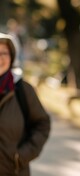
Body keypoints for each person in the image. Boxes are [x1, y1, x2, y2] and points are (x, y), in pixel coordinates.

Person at [0, 32, 51, 175]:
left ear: (12, 57)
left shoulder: (23, 90)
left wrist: (22, 156)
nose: (0, 57)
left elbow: (42, 123)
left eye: (4, 53)